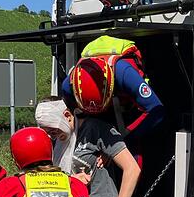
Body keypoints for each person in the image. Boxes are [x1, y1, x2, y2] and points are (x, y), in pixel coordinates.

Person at [36, 97, 140, 197]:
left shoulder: (95, 130)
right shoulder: (55, 140)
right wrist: (70, 182)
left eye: (53, 130)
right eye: (48, 132)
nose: (52, 135)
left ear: (67, 115)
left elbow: (132, 169)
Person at [62, 35, 164, 168]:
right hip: (96, 112)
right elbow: (71, 116)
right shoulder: (69, 85)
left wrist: (122, 140)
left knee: (132, 152)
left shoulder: (124, 73)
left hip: (126, 107)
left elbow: (157, 110)